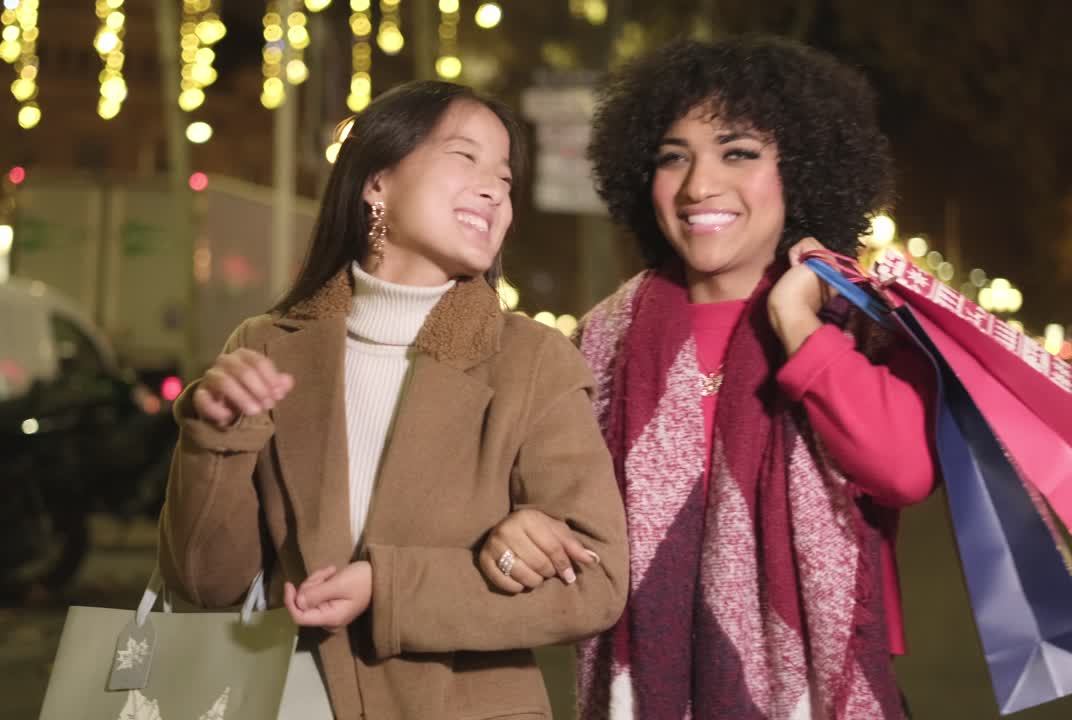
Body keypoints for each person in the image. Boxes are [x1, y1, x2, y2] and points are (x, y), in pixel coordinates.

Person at [477, 37, 936, 719]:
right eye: (673, 157)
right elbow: (539, 517)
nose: (698, 186)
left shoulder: (859, 324)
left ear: (802, 170)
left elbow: (904, 472)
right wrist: (512, 541)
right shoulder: (598, 341)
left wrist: (797, 323)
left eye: (738, 152)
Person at [157, 80, 629, 720]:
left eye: (505, 178)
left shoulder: (532, 360)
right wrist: (215, 438)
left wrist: (391, 589)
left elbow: (598, 583)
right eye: (465, 157)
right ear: (376, 181)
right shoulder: (267, 347)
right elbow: (206, 583)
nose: (494, 190)